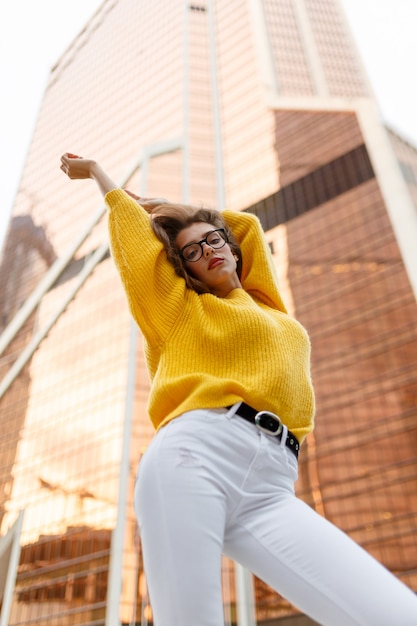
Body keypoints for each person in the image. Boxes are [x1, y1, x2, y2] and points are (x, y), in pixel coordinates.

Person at [60, 152, 417, 626]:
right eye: (192, 252)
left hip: (273, 481)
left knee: (391, 613)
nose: (209, 250)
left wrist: (175, 209)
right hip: (196, 455)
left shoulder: (267, 305)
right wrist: (104, 180)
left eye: (214, 241)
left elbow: (247, 224)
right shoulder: (181, 313)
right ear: (185, 271)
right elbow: (138, 252)